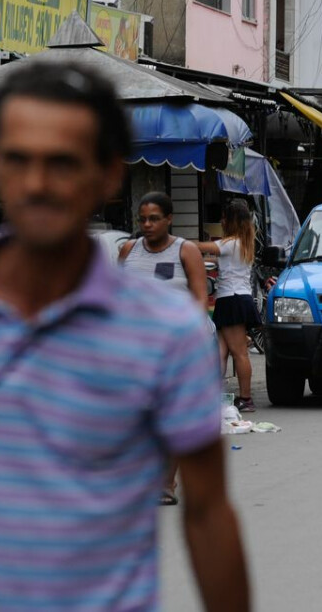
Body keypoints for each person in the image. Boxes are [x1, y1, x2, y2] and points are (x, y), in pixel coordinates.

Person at [0, 62, 250, 612]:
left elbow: (207, 512)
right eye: (18, 159)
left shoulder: (167, 332)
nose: (37, 183)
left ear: (108, 174)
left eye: (62, 162)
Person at [119, 191, 212, 506]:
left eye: (154, 218)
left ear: (169, 219)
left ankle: (166, 482)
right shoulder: (129, 250)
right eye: (143, 219)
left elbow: (200, 299)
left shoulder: (185, 251)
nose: (147, 224)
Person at [198, 199, 260, 413]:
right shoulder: (242, 243)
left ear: (232, 220)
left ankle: (246, 398)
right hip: (235, 298)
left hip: (232, 298)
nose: (222, 221)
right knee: (220, 351)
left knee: (239, 352)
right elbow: (219, 260)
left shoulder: (230, 243)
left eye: (224, 217)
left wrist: (172, 242)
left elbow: (200, 247)